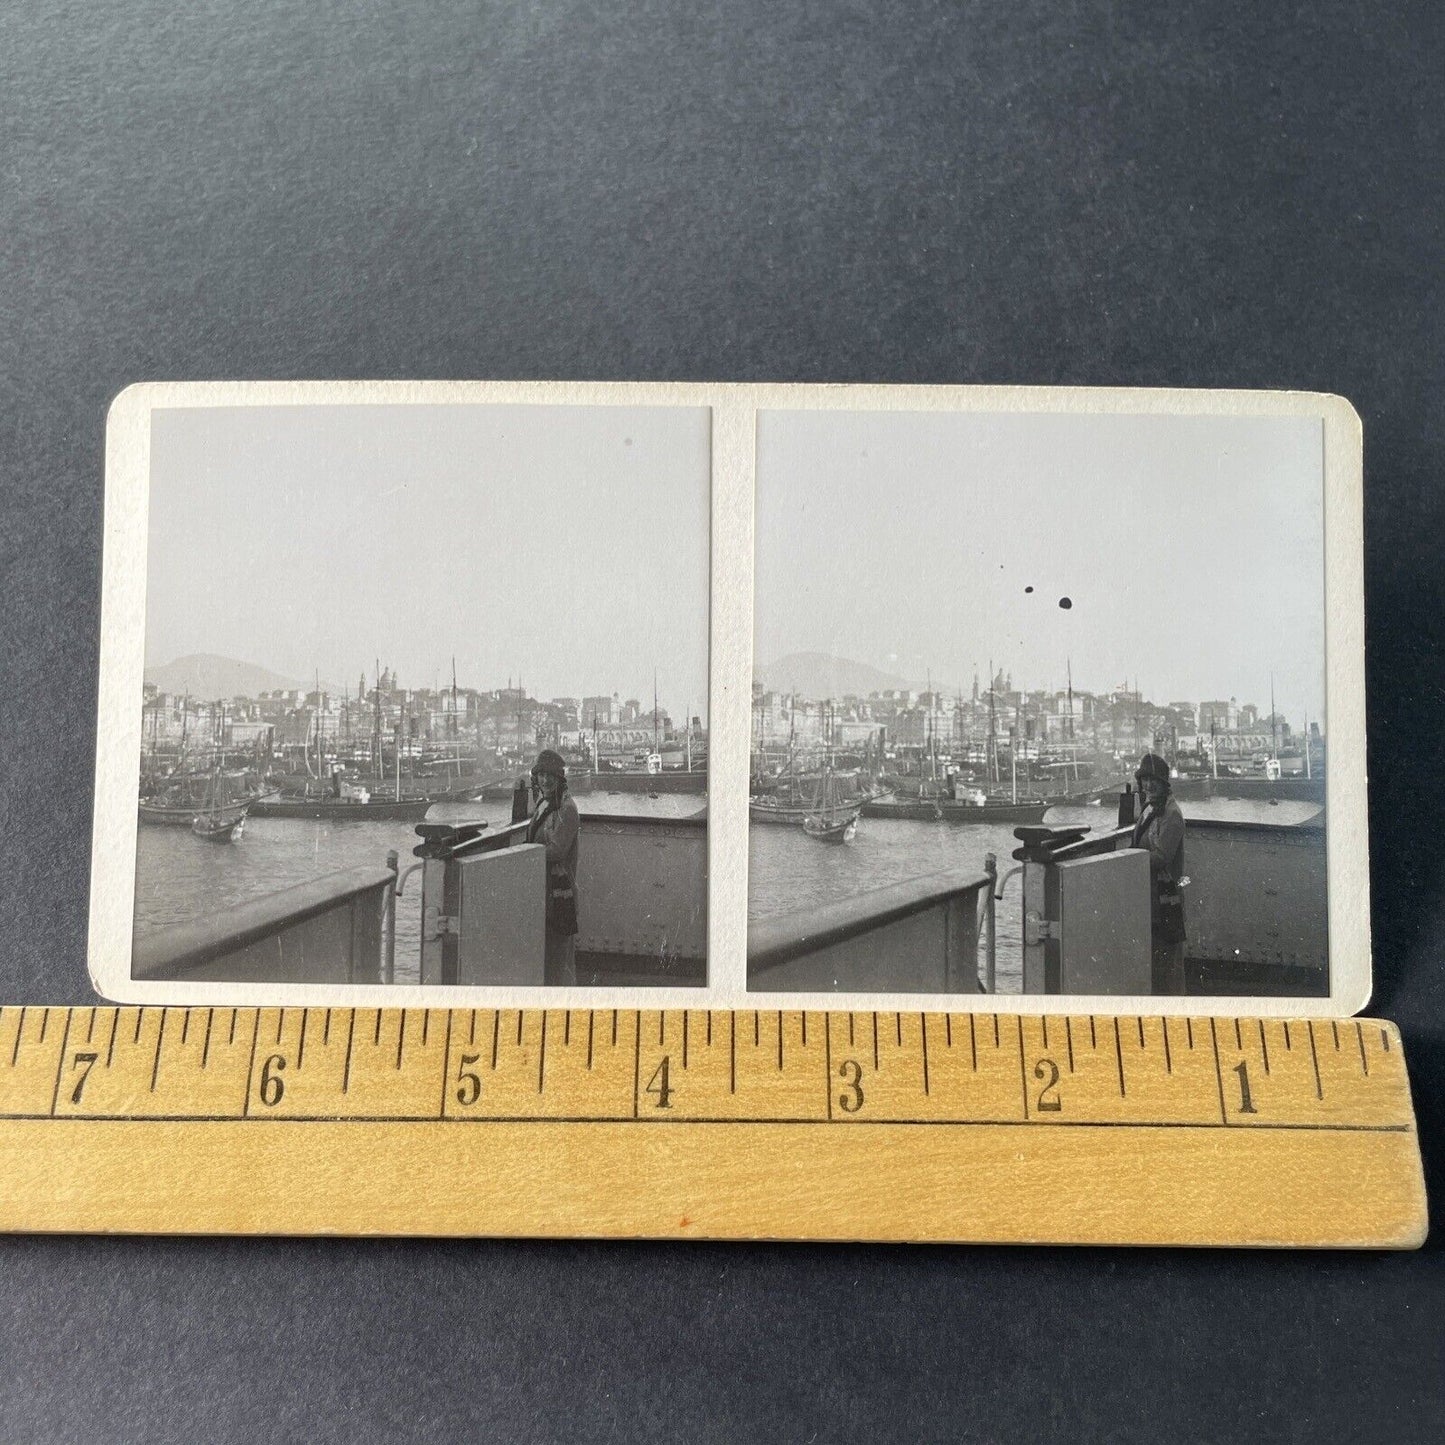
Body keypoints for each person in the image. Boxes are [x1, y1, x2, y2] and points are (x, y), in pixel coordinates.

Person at [1130, 752, 1187, 994]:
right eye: (1144, 779)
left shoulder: (1171, 814)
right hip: (1148, 898)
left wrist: (1130, 862)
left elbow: (1163, 856)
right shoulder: (1150, 808)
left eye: (1153, 780)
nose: (1148, 784)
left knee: (1166, 966)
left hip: (1164, 903)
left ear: (1164, 783)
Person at [525, 749, 580, 986]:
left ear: (560, 778)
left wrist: (525, 856)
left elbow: (557, 850)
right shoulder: (544, 802)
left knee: (560, 959)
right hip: (543, 889)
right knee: (547, 954)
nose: (545, 780)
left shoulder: (567, 808)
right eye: (541, 775)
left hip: (560, 894)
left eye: (550, 776)